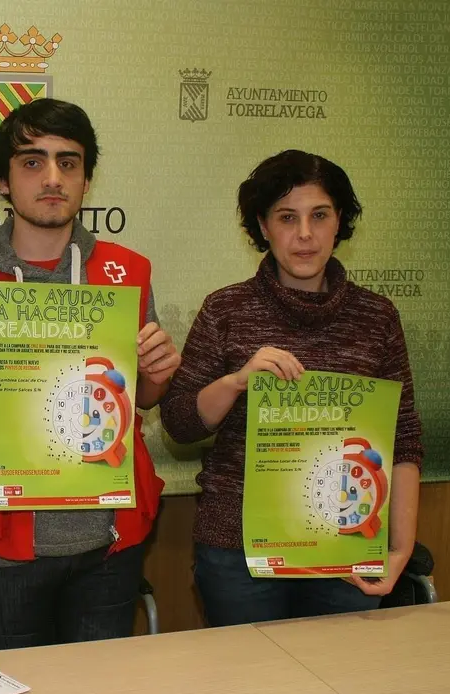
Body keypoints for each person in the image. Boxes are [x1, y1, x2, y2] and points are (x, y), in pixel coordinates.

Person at [0, 99, 181, 650]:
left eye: (68, 162)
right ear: (2, 180)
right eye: (32, 161)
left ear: (87, 180)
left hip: (110, 539)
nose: (52, 178)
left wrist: (159, 374)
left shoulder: (126, 272)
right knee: (15, 689)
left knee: (103, 691)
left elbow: (140, 399)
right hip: (0, 548)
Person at [160, 149, 423, 626]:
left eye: (319, 215)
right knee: (250, 672)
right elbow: (179, 423)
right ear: (263, 226)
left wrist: (400, 547)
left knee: (341, 671)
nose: (304, 234)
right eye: (287, 217)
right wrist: (235, 382)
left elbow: (402, 437)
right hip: (238, 552)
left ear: (339, 221)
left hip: (345, 541)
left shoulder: (377, 317)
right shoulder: (226, 309)